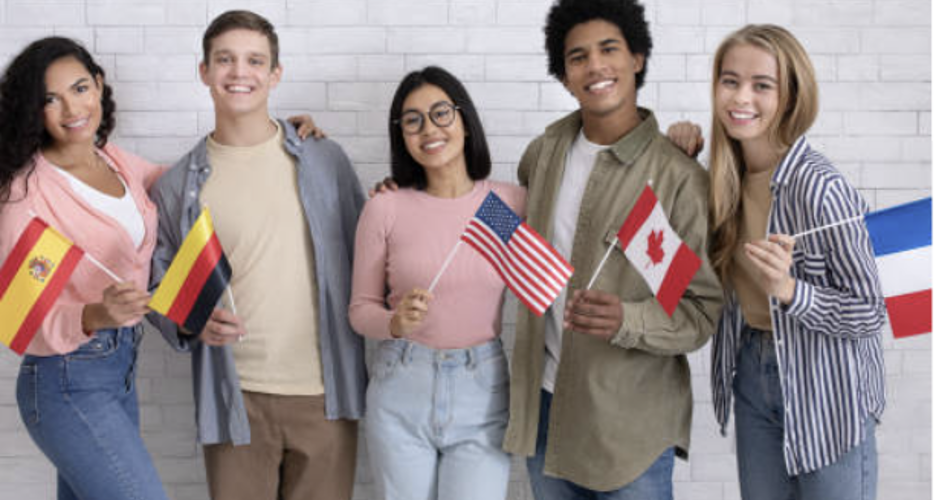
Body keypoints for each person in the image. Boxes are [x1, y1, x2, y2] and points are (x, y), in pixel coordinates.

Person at [501, 0, 724, 499]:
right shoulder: (544, 154)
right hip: (546, 416)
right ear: (564, 76)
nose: (595, 66)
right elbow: (490, 210)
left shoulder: (677, 178)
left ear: (637, 58)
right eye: (577, 57)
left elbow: (699, 312)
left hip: (633, 431)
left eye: (609, 49)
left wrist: (629, 318)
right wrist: (402, 190)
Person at [148, 10, 366, 500]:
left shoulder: (324, 160)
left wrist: (401, 198)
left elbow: (371, 250)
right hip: (234, 400)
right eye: (224, 59)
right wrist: (191, 319)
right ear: (203, 71)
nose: (239, 72)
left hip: (325, 395)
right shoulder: (178, 185)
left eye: (254, 60)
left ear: (275, 74)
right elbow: (157, 283)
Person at [669, 24, 885, 500]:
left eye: (761, 85)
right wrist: (677, 156)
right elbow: (679, 258)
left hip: (827, 385)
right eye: (730, 80)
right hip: (752, 370)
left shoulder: (822, 188)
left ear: (789, 97)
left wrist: (791, 291)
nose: (741, 96)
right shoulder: (721, 181)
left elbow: (871, 311)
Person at [0, 37, 170, 500]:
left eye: (79, 88)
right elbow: (16, 318)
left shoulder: (113, 160)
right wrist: (94, 315)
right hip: (66, 382)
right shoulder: (28, 196)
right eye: (49, 99)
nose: (70, 108)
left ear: (98, 85)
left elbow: (175, 181)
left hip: (119, 370)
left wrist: (274, 135)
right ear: (31, 110)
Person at [349, 66, 523, 500]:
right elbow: (360, 309)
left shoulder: (504, 205)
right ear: (402, 136)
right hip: (402, 386)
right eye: (413, 120)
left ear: (464, 120)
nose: (429, 128)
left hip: (482, 390)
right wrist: (394, 323)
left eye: (441, 113)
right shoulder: (386, 208)